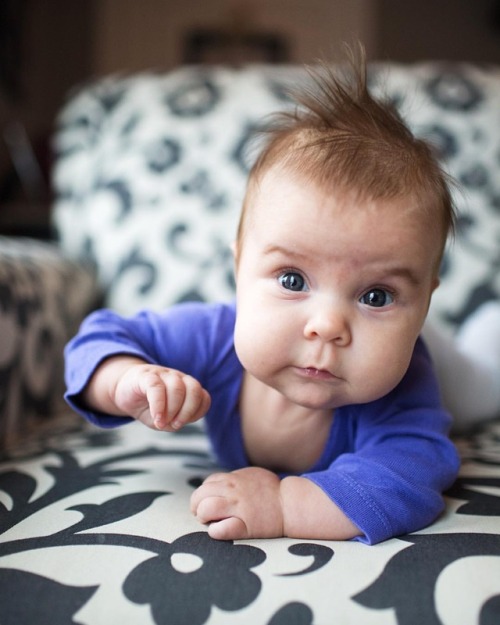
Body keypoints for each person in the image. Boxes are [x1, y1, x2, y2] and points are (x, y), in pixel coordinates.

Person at [65, 50, 462, 545]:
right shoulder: (214, 336)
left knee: (470, 387)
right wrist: (125, 378)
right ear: (239, 267)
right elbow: (99, 338)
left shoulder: (401, 390)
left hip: (443, 364)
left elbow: (408, 479)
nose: (327, 325)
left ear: (423, 303)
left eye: (376, 296)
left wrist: (281, 504)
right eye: (293, 280)